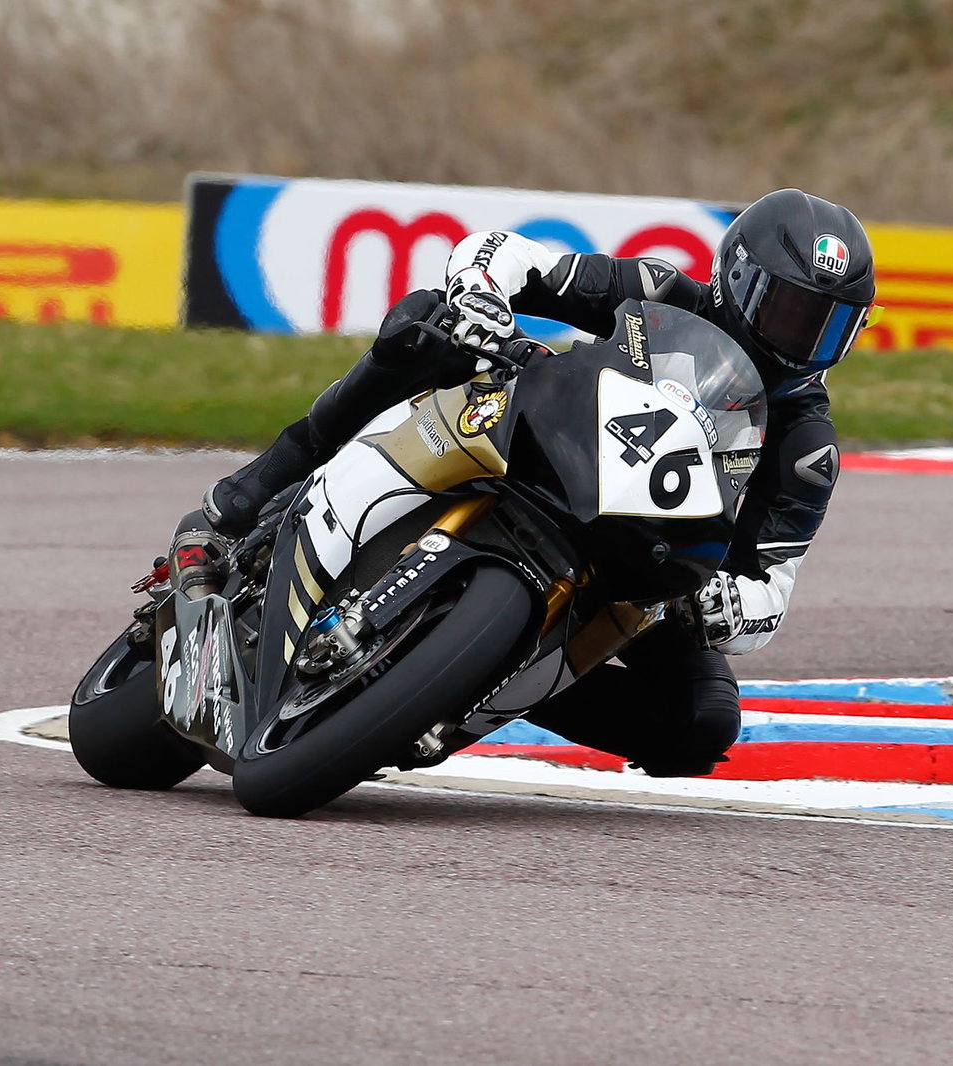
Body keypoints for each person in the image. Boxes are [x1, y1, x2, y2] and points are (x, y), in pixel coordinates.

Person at [178, 188, 876, 776]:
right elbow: (515, 256)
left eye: (824, 327)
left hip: (644, 563)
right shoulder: (663, 292)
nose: (799, 341)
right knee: (429, 323)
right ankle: (248, 493)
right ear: (736, 276)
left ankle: (466, 683)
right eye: (787, 310)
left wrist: (729, 607)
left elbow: (772, 585)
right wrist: (481, 295)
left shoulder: (806, 447)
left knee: (704, 723)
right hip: (543, 443)